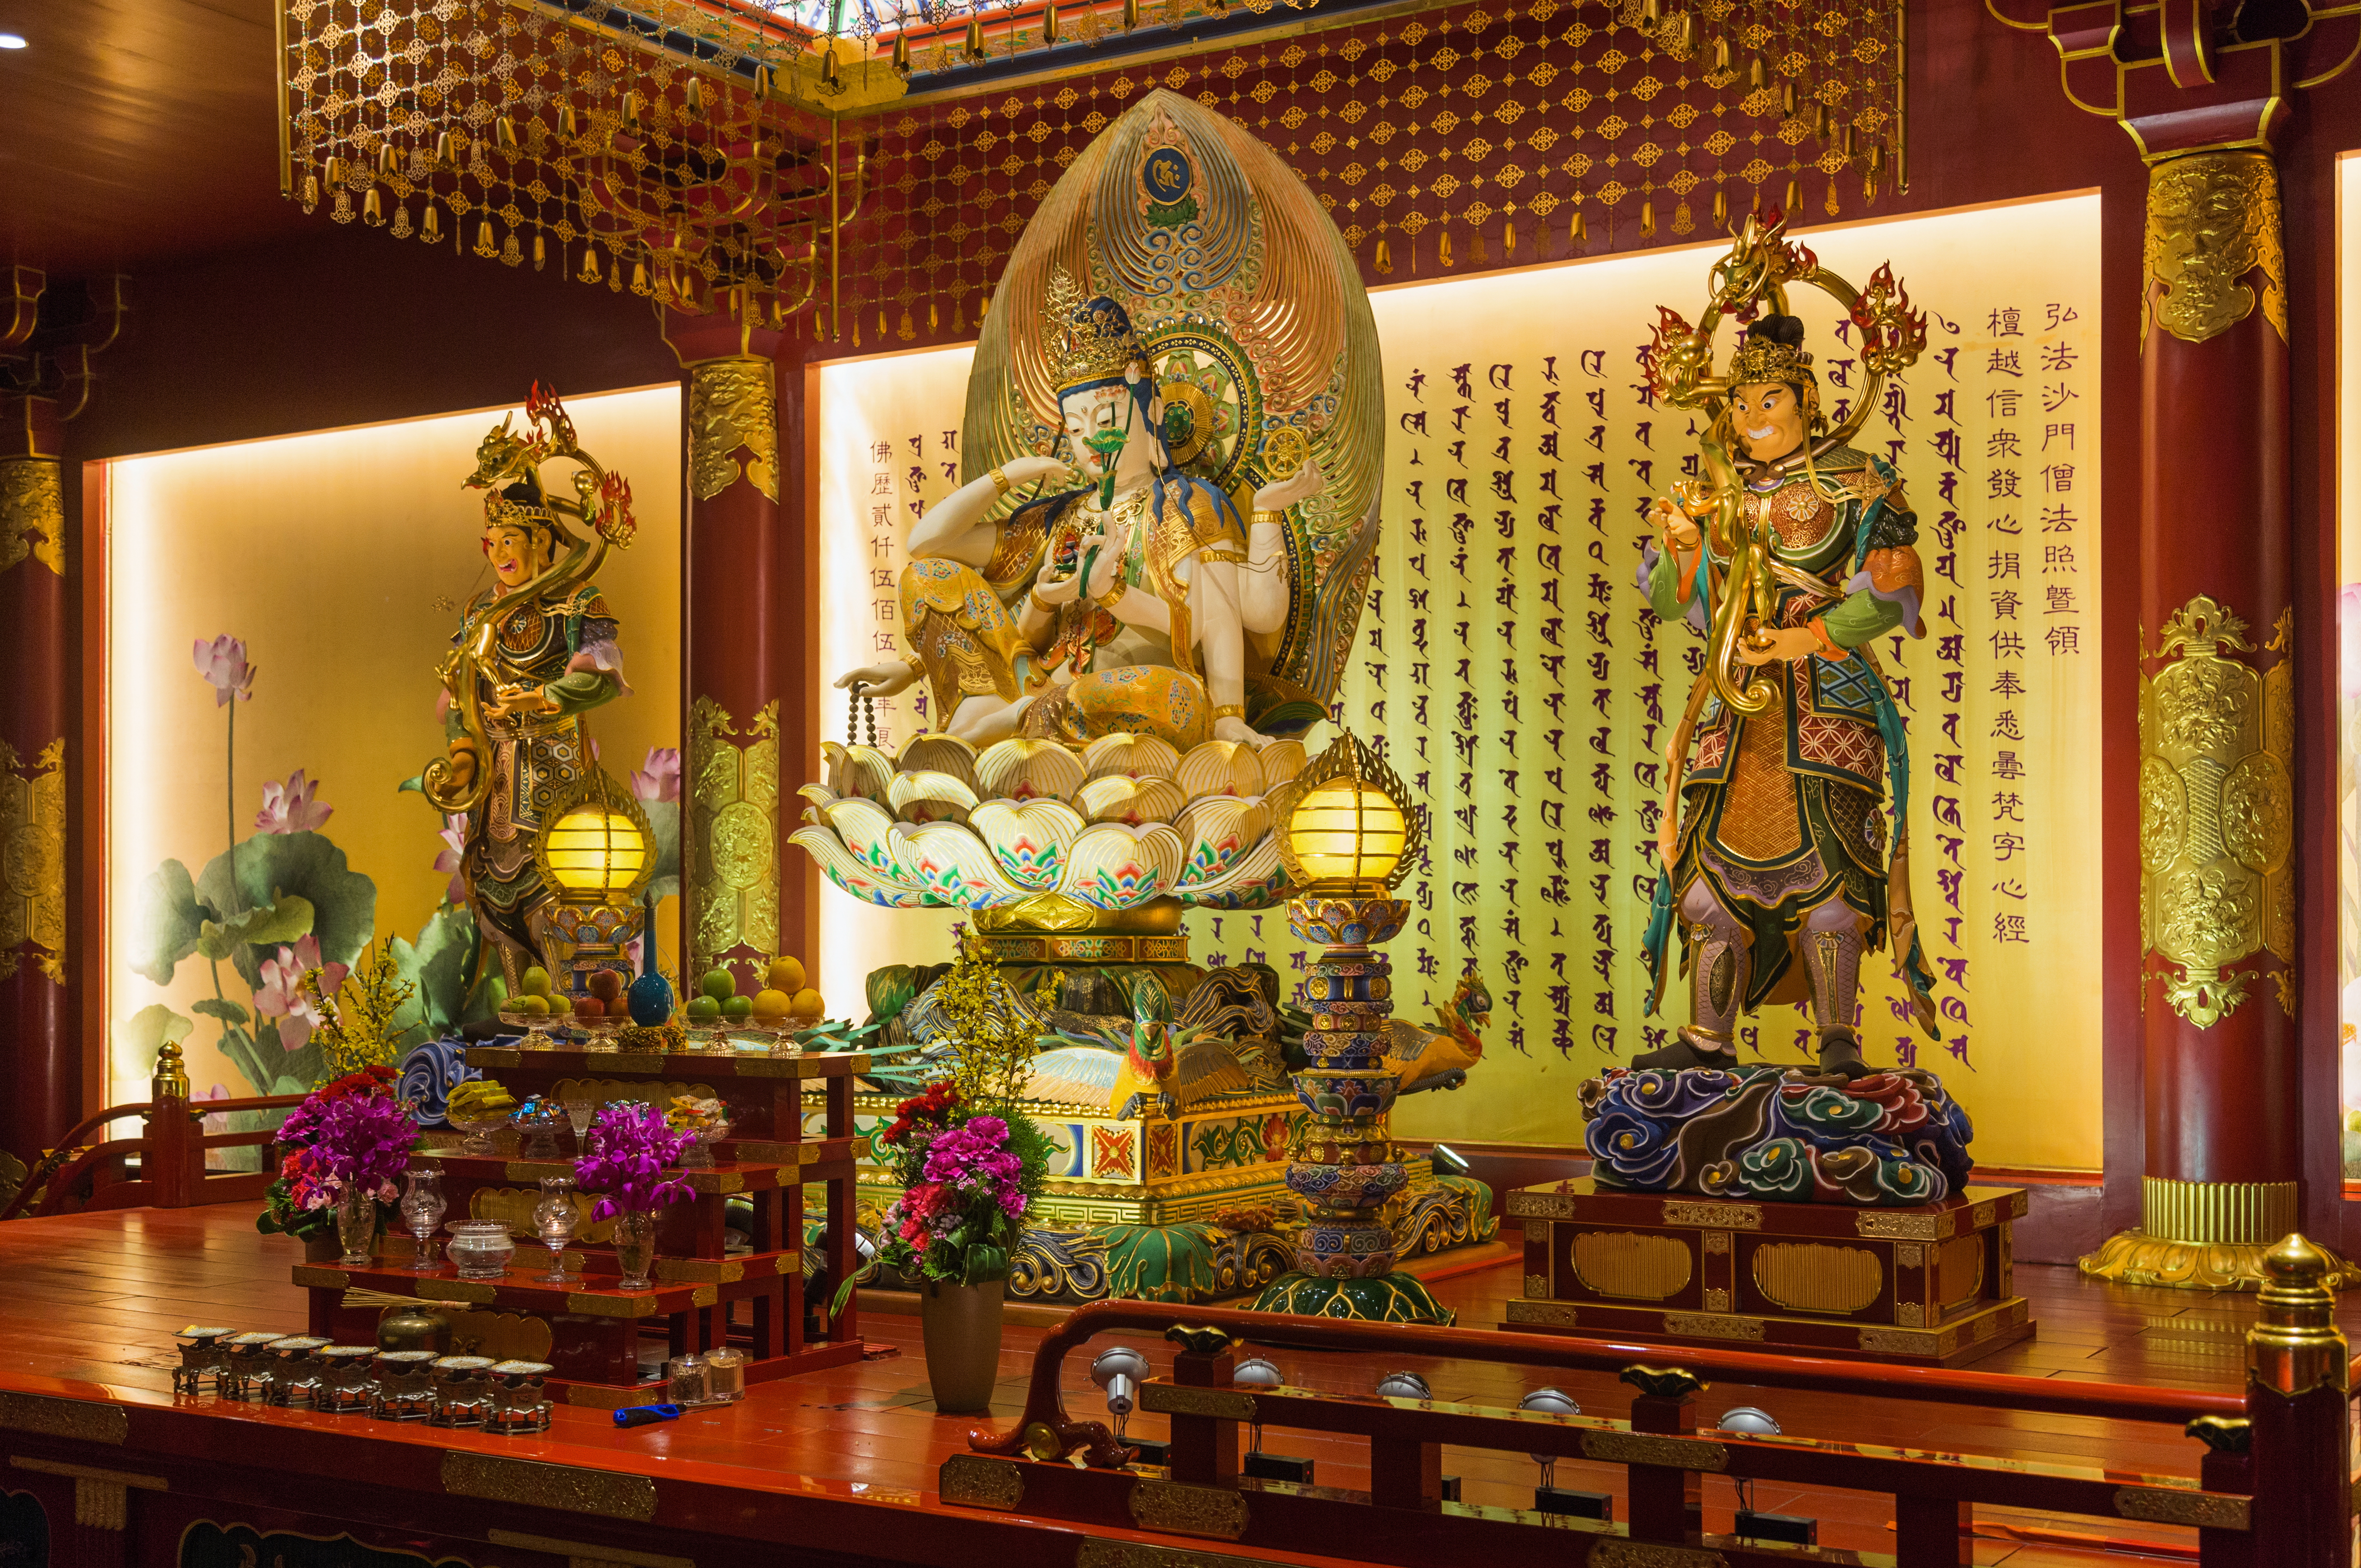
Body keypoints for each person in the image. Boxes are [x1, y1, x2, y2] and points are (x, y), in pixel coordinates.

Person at [834, 271, 1317, 752]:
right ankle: (1002, 720)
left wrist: (1228, 713)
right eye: (1076, 427)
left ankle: (1010, 726)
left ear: (1150, 415)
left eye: (1106, 420)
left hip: (1132, 698)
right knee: (927, 576)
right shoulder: (1060, 515)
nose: (1092, 440)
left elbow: (1210, 623)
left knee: (1172, 695)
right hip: (1040, 683)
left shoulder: (1186, 504)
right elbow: (927, 545)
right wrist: (1010, 475)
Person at [1635, 313, 1936, 1077]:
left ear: (1806, 399)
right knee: (1705, 876)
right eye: (1739, 405)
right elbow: (1678, 603)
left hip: (1822, 692)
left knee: (1834, 871)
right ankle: (1705, 1040)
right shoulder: (1716, 492)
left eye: (1768, 401)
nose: (1750, 419)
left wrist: (1807, 637)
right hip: (1732, 698)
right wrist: (1679, 544)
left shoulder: (1855, 479)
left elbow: (1896, 581)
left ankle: (1838, 1036)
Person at [437, 467, 629, 985]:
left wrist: (544, 695)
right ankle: (517, 1012)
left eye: (511, 540)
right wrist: (462, 759)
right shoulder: (482, 614)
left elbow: (606, 679)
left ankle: (575, 1008)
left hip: (557, 773)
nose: (500, 552)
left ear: (542, 540)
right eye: (493, 541)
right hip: (495, 780)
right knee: (495, 904)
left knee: (561, 896)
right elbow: (461, 695)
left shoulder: (579, 603)